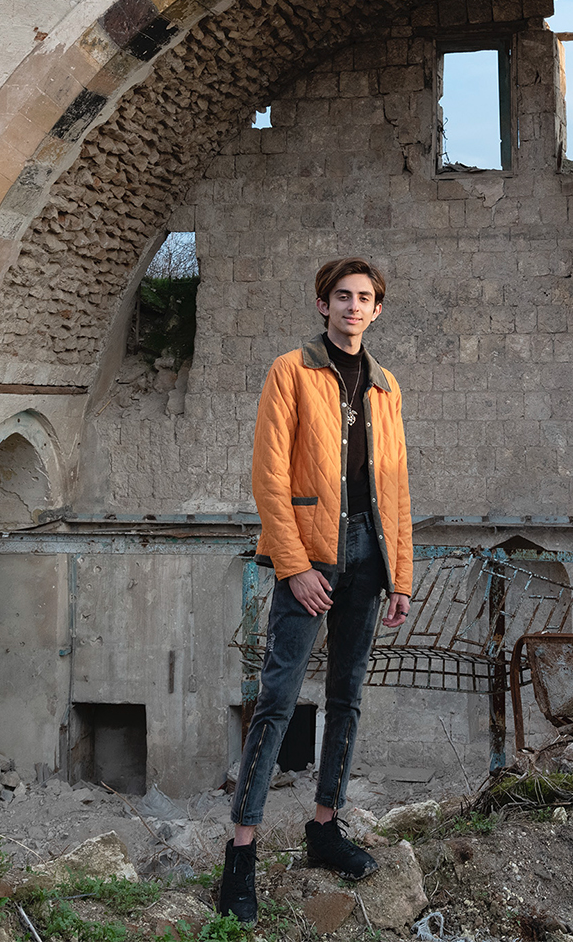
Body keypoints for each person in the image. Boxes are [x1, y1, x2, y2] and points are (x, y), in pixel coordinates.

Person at [217, 258, 415, 924]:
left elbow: (397, 487)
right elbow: (268, 478)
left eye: (364, 298)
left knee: (347, 696)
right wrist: (295, 565)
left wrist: (400, 575)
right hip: (310, 554)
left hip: (370, 552)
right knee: (276, 699)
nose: (353, 307)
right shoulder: (290, 371)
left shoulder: (385, 386)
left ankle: (324, 828)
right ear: (323, 304)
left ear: (377, 309)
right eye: (342, 296)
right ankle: (241, 851)